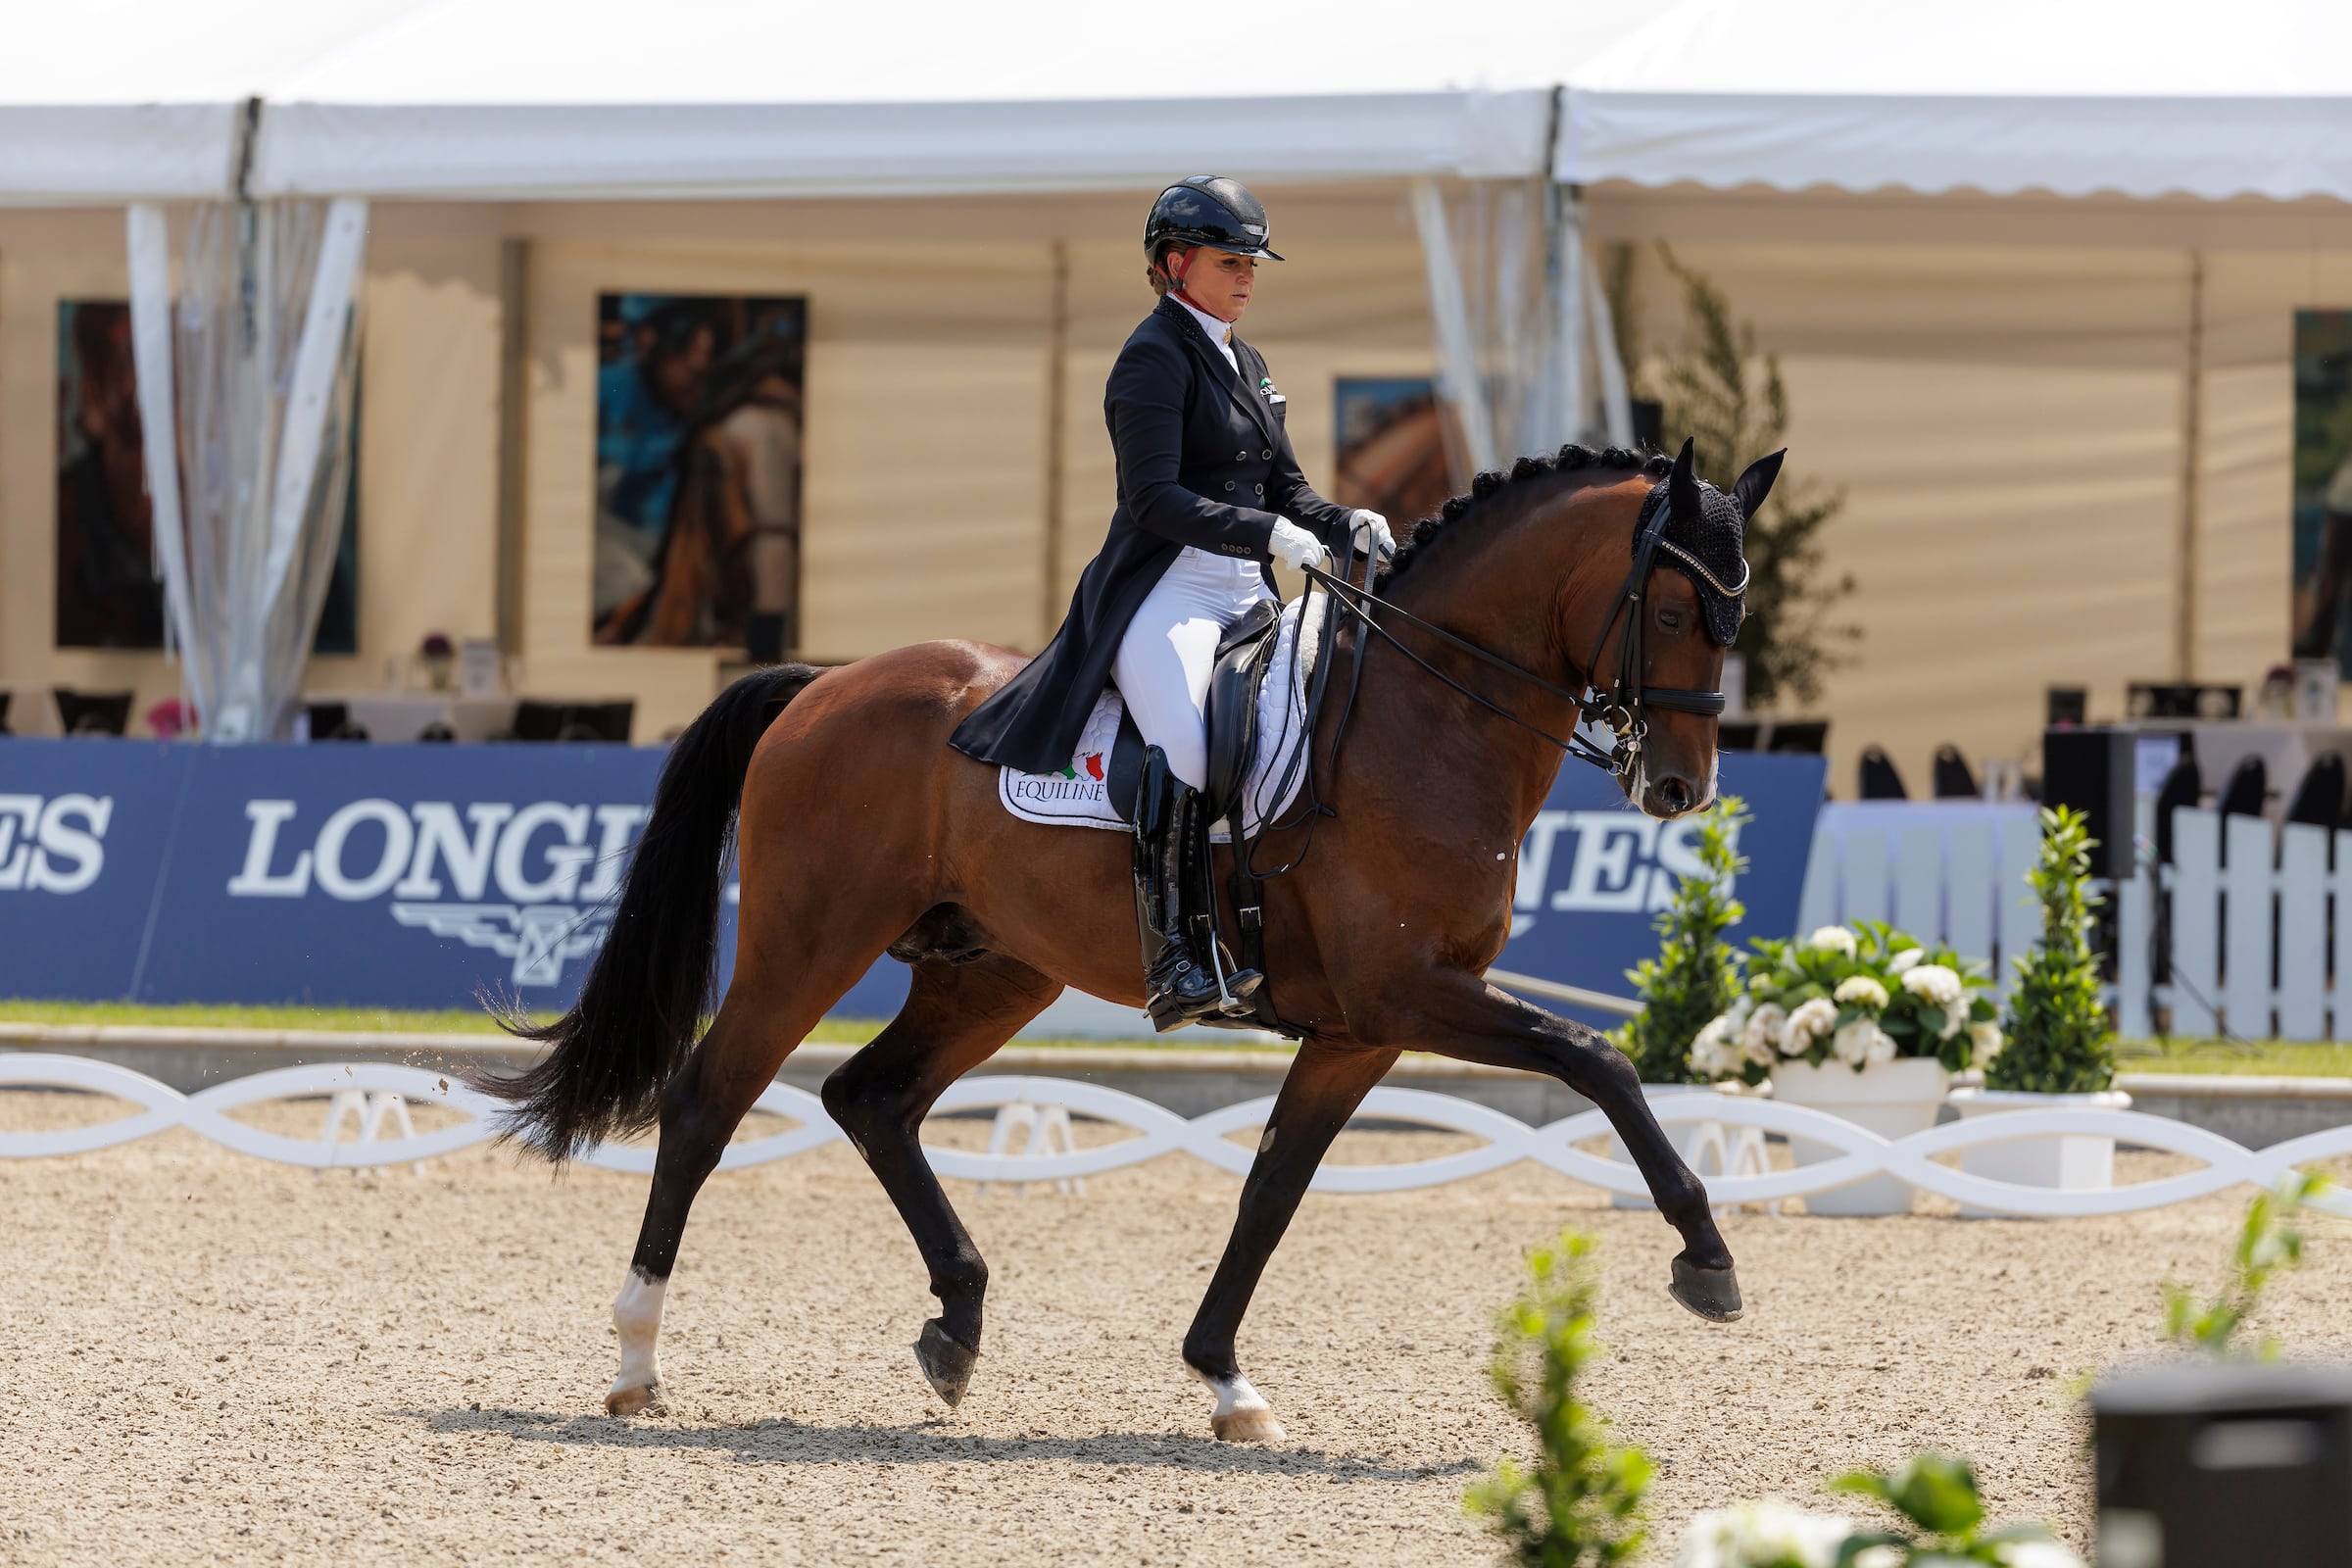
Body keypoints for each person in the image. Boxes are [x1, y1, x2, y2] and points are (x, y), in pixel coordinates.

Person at [951, 176, 1392, 1028]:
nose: (1248, 277)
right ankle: (1178, 958)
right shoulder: (1151, 358)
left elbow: (1288, 486)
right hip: (1167, 590)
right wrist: (1265, 532)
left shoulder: (1247, 360)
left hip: (1247, 594)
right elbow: (1152, 497)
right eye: (1232, 261)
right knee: (1186, 746)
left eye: (1254, 263)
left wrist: (1345, 525)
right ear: (1177, 263)